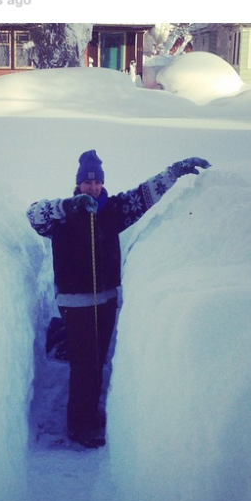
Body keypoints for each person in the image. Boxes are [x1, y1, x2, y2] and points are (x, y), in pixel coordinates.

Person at [27, 150, 211, 448]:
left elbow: (144, 195)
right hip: (75, 304)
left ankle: (88, 413)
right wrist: (68, 207)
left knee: (96, 362)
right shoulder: (61, 217)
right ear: (78, 185)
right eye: (87, 183)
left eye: (97, 182)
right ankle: (80, 425)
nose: (93, 187)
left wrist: (174, 172)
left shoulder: (112, 210)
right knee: (85, 365)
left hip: (107, 302)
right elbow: (34, 214)